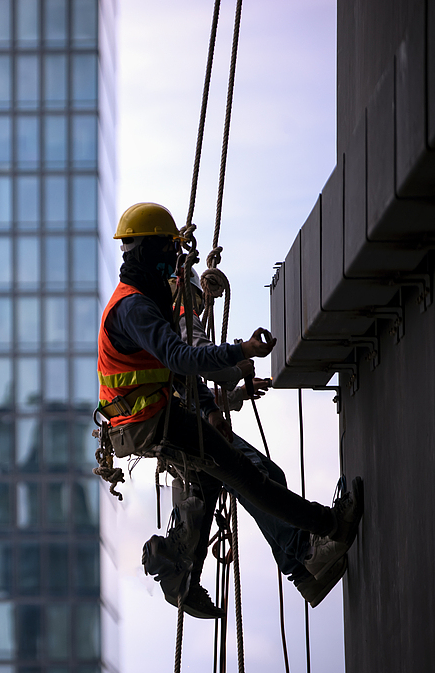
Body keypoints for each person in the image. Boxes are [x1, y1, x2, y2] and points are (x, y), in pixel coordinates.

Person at [96, 202, 363, 619]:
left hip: (154, 418)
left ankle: (184, 575)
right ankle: (326, 533)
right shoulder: (137, 308)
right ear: (149, 251)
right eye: (167, 249)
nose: (174, 260)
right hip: (149, 423)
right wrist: (240, 353)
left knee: (215, 478)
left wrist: (210, 403)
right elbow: (181, 358)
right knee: (250, 476)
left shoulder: (148, 299)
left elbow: (174, 373)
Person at [142, 267, 346, 610]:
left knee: (267, 477)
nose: (200, 307)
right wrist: (238, 361)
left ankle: (304, 574)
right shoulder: (178, 312)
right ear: (184, 288)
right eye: (197, 297)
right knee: (254, 477)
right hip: (180, 427)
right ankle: (306, 552)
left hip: (177, 425)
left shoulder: (157, 322)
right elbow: (199, 359)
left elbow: (188, 387)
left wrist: (232, 396)